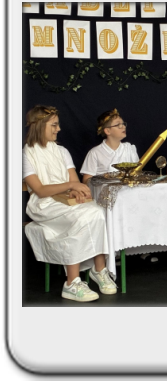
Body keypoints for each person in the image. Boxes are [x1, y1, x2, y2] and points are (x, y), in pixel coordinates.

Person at [23, 105, 117, 302]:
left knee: (97, 210)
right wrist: (71, 186)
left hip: (65, 200)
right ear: (39, 125)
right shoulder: (26, 154)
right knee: (82, 216)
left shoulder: (62, 151)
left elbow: (74, 181)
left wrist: (76, 191)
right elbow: (40, 190)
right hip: (43, 205)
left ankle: (98, 270)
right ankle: (71, 283)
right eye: (54, 125)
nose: (59, 129)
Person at [80, 108, 158, 263]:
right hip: (107, 198)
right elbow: (86, 180)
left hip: (129, 193)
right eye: (118, 125)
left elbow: (137, 173)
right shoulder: (95, 152)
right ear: (107, 131)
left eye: (123, 124)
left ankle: (140, 248)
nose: (123, 127)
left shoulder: (129, 148)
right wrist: (104, 178)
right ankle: (112, 252)